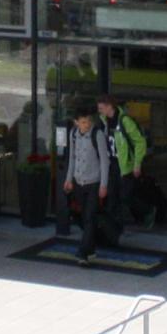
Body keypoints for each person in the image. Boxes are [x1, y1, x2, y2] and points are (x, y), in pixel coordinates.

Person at [62, 103, 109, 266]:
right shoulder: (73, 134)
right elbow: (72, 158)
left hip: (94, 183)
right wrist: (68, 179)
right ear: (76, 122)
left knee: (89, 216)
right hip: (78, 181)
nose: (86, 124)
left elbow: (104, 161)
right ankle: (90, 248)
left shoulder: (98, 135)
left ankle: (82, 253)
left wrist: (104, 184)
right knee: (83, 217)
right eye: (83, 122)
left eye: (88, 121)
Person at [97, 95, 147, 229]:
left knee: (126, 196)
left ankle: (145, 213)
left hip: (126, 165)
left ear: (109, 107)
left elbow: (140, 142)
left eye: (101, 108)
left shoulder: (125, 121)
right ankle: (114, 227)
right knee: (112, 196)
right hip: (112, 164)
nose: (100, 111)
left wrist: (137, 164)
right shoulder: (103, 122)